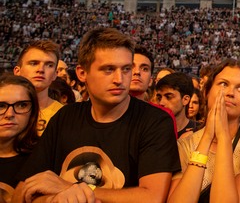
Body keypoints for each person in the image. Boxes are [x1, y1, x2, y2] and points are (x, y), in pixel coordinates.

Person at [14, 27, 181, 203]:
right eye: (108, 69)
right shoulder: (65, 117)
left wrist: (69, 187)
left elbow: (152, 198)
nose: (120, 79)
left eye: (126, 69)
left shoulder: (155, 121)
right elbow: (23, 190)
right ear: (82, 73)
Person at [167, 59, 240, 203]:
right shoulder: (185, 145)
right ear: (207, 92)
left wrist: (223, 137)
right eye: (223, 84)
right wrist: (207, 138)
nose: (230, 93)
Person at [0, 75, 39, 200]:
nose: (10, 114)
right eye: (1, 106)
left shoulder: (46, 155)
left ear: (32, 111)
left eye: (21, 105)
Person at [13, 40, 63, 136]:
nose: (40, 70)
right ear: (17, 71)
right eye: (33, 63)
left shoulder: (63, 115)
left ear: (55, 75)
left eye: (49, 65)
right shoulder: (4, 111)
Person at [155, 72, 196, 138]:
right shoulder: (151, 130)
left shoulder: (199, 132)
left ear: (185, 100)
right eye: (159, 98)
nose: (161, 103)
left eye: (168, 97)